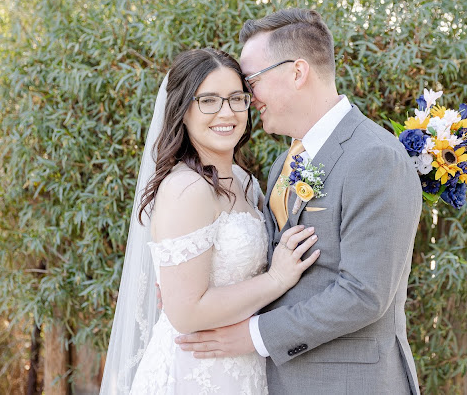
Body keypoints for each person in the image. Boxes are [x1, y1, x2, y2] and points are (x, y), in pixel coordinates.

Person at [175, 9, 423, 394]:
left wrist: (255, 335)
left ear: (297, 72)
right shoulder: (283, 162)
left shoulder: (375, 156)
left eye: (251, 80)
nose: (247, 97)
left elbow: (364, 294)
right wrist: (195, 280)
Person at [99, 47, 320, 394]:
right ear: (183, 111)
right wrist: (277, 278)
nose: (226, 112)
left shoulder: (245, 181)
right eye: (208, 101)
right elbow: (185, 313)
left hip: (243, 365)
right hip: (194, 372)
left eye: (236, 99)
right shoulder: (186, 189)